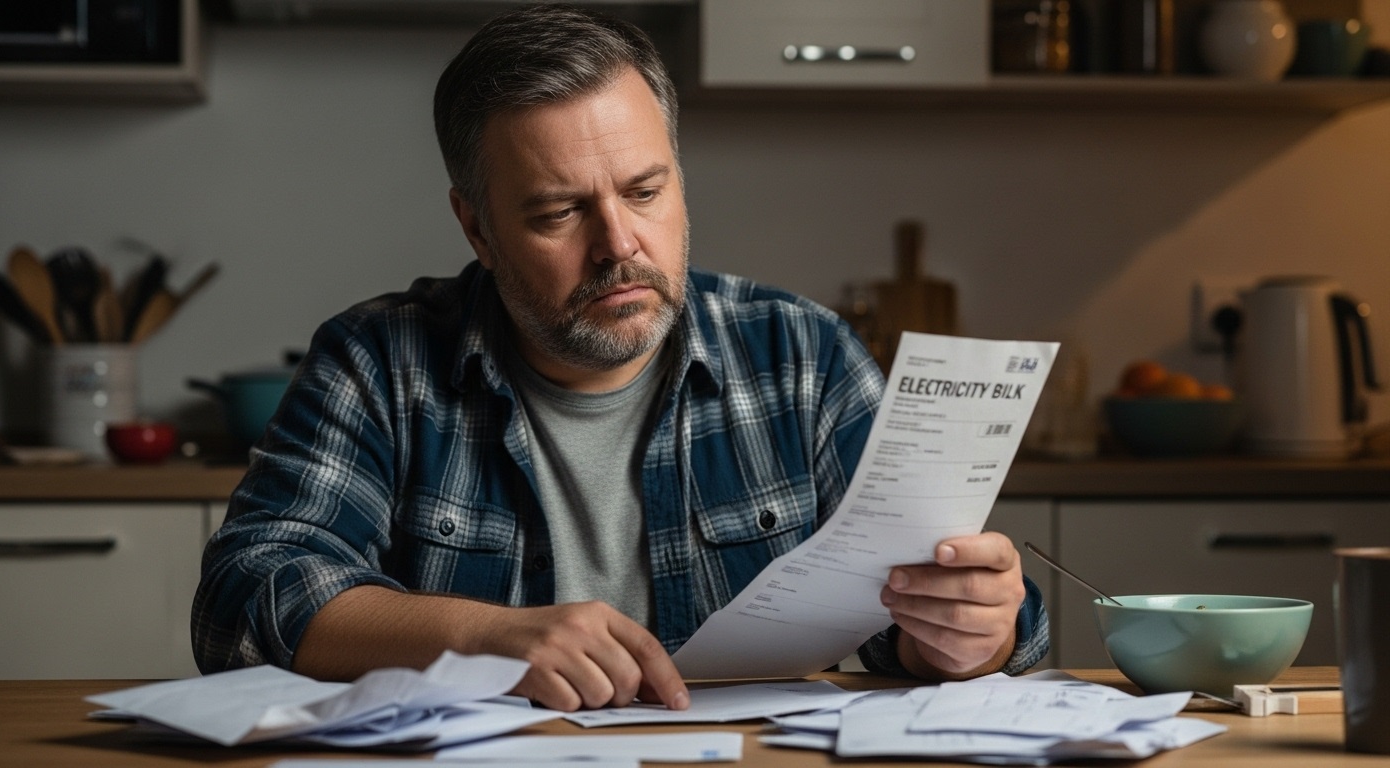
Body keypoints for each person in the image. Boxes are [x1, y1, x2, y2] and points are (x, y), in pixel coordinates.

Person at [192, 2, 1049, 713]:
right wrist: (485, 637)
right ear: (476, 228)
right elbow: (244, 596)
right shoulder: (380, 362)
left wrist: (974, 633)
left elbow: (916, 631)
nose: (618, 246)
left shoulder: (804, 356)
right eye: (559, 213)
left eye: (644, 192)